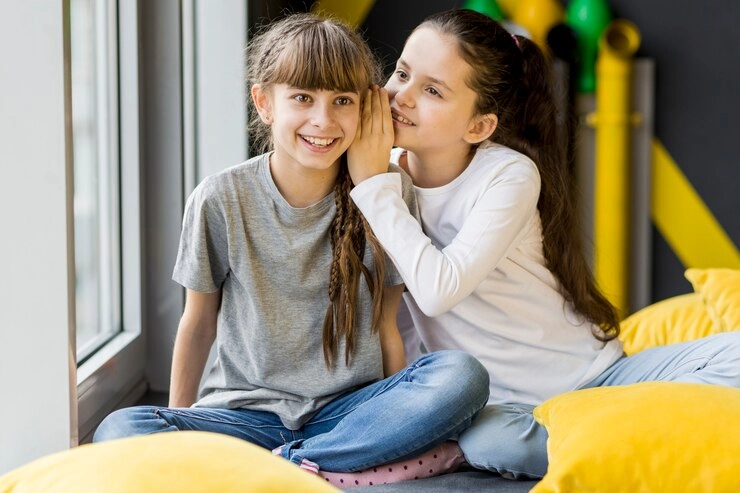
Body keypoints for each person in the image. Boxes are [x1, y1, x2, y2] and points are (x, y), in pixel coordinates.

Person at [347, 8, 740, 480]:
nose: (400, 97)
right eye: (403, 73)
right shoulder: (381, 175)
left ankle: (627, 429)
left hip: (600, 380)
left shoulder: (507, 174)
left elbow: (437, 289)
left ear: (479, 127)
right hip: (512, 413)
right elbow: (405, 315)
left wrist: (371, 185)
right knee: (491, 442)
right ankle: (632, 436)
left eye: (431, 90)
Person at [92, 12, 490, 478]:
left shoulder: (386, 194)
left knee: (462, 376)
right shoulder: (220, 198)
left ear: (364, 107)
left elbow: (387, 328)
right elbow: (197, 324)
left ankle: (294, 465)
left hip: (348, 414)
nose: (323, 120)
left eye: (342, 100)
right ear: (264, 103)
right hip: (242, 416)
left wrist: (391, 422)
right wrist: (183, 437)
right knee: (119, 429)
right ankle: (323, 467)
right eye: (302, 97)